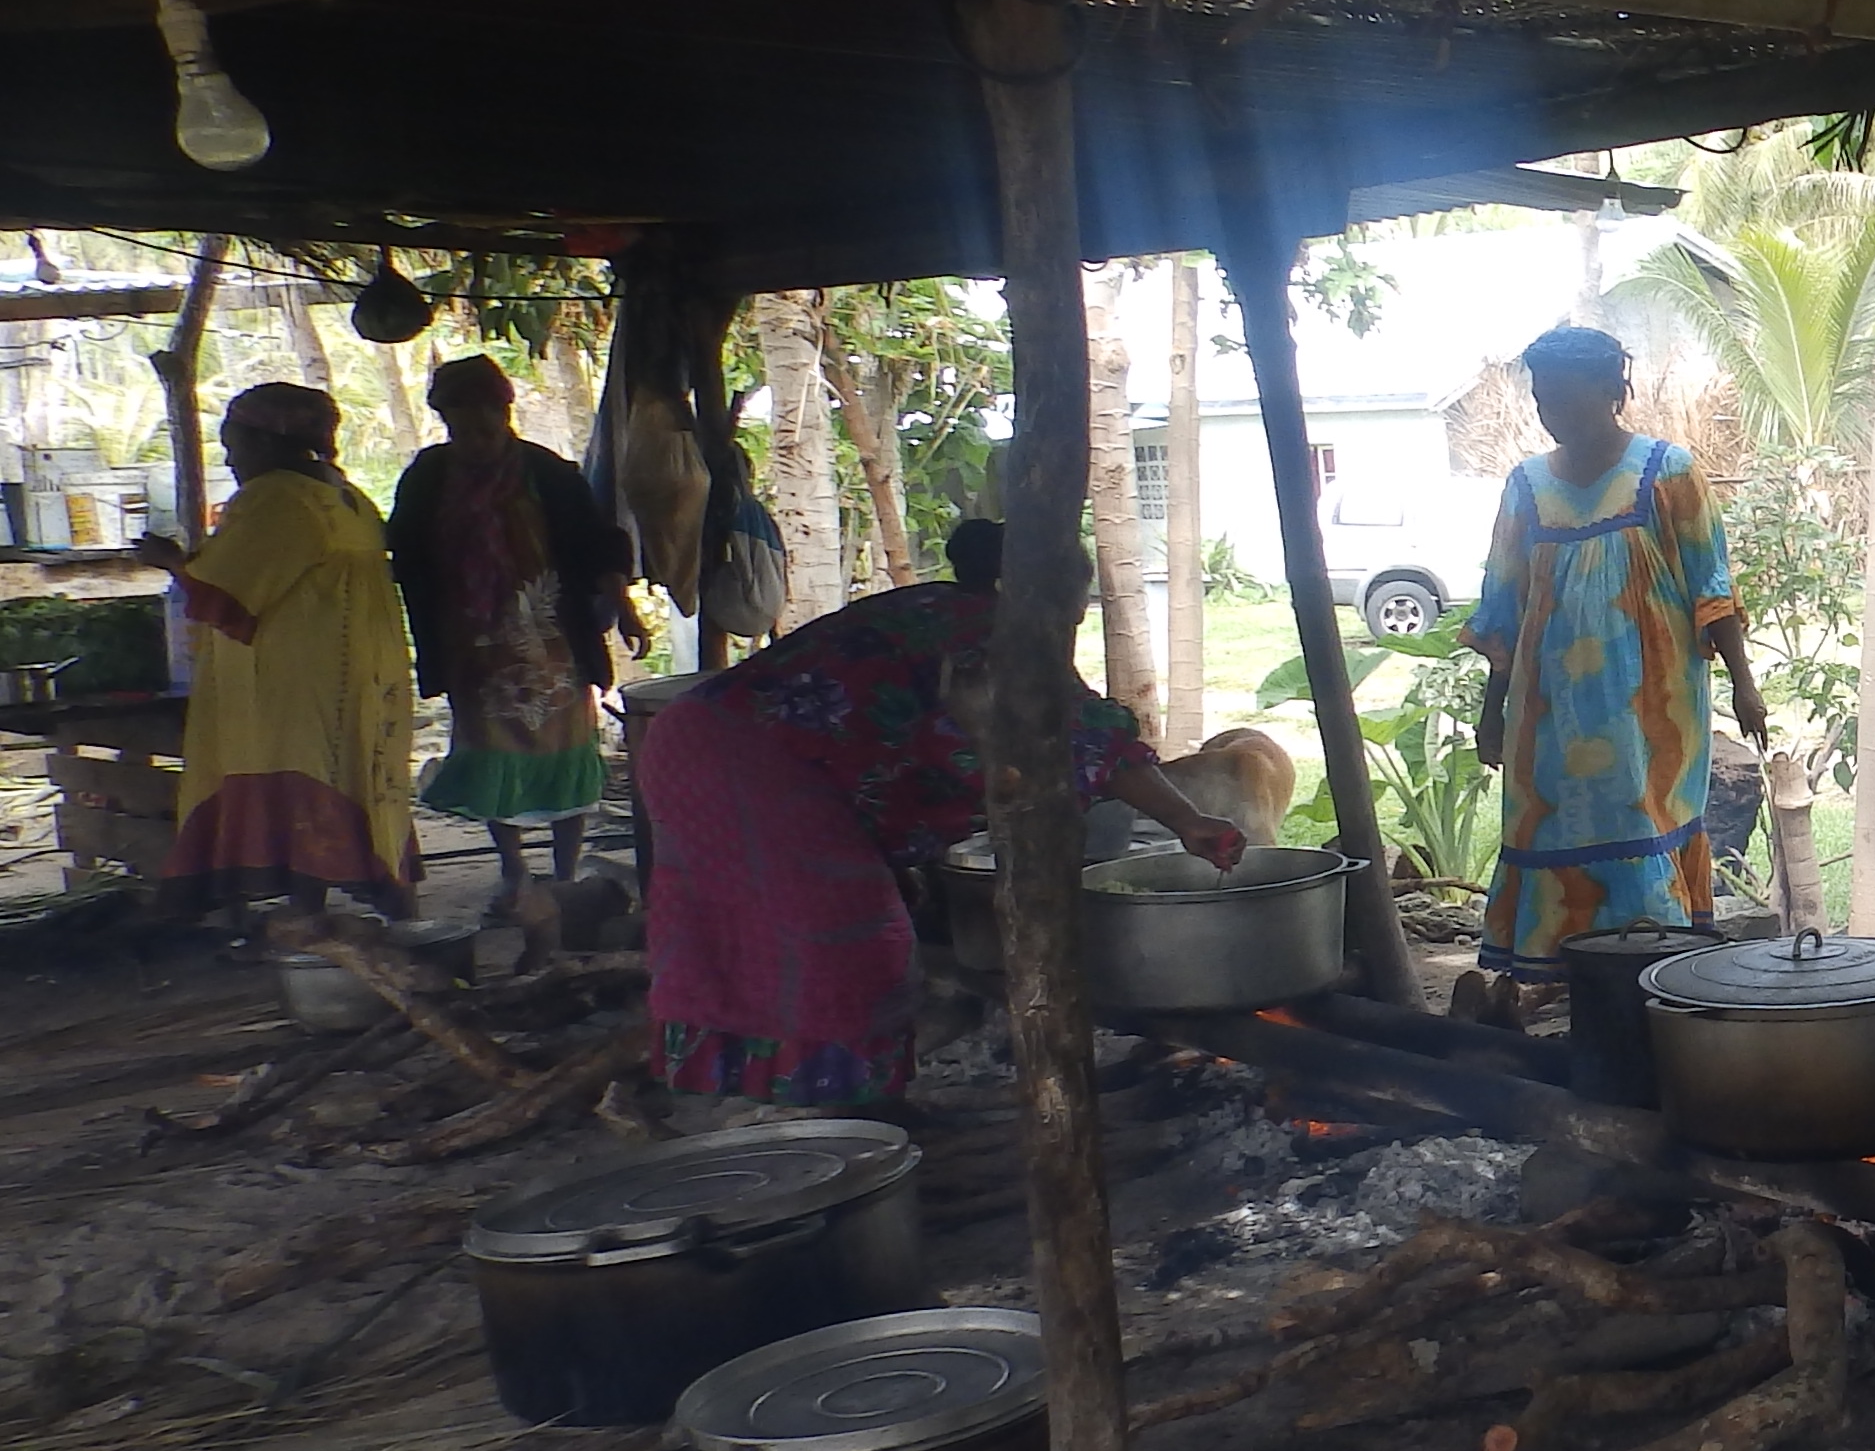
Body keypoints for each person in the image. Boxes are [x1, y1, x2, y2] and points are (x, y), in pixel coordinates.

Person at [638, 518, 1247, 1106]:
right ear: (1046, 591)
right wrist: (1190, 823)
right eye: (1078, 606)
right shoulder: (991, 632)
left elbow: (891, 738)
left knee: (723, 927)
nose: (1076, 621)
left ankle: (759, 1092)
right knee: (855, 947)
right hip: (755, 767)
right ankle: (849, 1120)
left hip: (688, 742)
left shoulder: (937, 604)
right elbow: (1088, 736)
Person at [1466, 325, 1764, 991]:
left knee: (1641, 823)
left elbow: (1711, 593)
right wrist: (1492, 713)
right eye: (1543, 401)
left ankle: (1649, 983)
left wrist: (1745, 688)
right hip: (1545, 725)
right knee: (1549, 834)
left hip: (1649, 717)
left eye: (1567, 400)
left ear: (1612, 393)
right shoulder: (1525, 486)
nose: (1553, 415)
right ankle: (1567, 989)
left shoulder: (1670, 474)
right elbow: (1502, 609)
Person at [140, 384, 419, 921]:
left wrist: (171, 561)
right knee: (358, 782)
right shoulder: (345, 495)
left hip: (299, 681)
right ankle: (369, 912)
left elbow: (226, 589)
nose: (230, 457)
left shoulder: (277, 498)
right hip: (358, 670)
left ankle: (310, 916)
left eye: (236, 444)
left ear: (270, 442)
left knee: (304, 783)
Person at [386, 353, 633, 892]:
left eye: (483, 423)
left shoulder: (547, 474)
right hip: (472, 645)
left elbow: (598, 544)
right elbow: (402, 551)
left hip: (553, 641)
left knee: (567, 755)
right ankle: (515, 870)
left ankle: (565, 874)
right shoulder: (429, 476)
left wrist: (623, 604)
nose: (473, 437)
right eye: (459, 426)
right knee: (491, 753)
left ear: (506, 413)